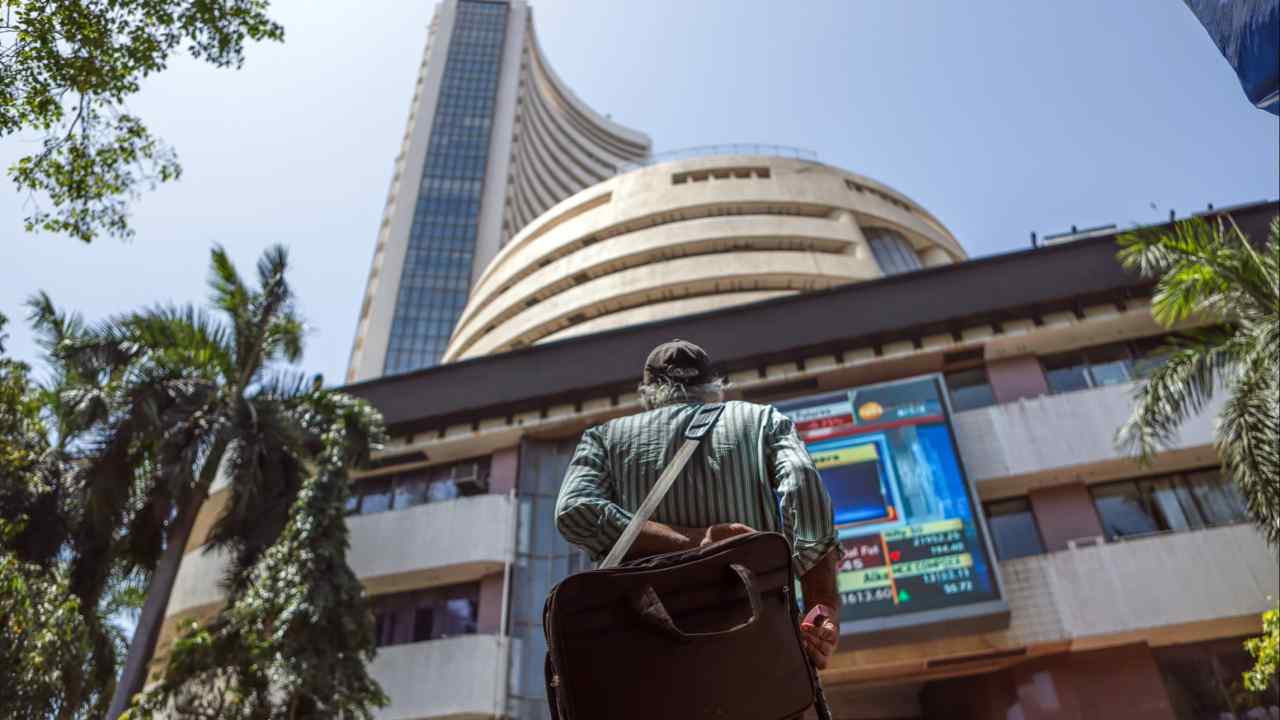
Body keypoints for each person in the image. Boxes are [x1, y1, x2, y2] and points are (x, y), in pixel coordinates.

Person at [555, 338, 842, 669]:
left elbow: (573, 509)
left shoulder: (604, 438)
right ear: (713, 387)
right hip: (762, 652)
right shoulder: (761, 419)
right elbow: (802, 479)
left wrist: (693, 540)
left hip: (652, 662)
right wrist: (821, 605)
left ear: (648, 394)